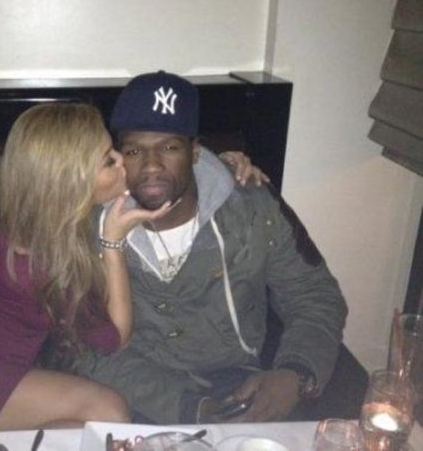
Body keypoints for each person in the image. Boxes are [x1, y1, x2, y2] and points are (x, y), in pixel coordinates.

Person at [0, 102, 263, 441]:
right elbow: (115, 338)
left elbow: (173, 168)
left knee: (86, 432)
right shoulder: (43, 259)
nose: (122, 162)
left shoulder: (46, 219)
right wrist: (113, 243)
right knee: (109, 412)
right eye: (108, 160)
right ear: (72, 181)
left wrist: (226, 164)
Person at [74, 71, 348, 425]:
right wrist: (190, 406)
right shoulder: (89, 228)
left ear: (195, 152)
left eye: (170, 147)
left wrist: (296, 373)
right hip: (137, 395)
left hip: (244, 384)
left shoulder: (251, 208)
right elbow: (83, 347)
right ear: (118, 156)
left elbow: (314, 294)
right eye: (135, 150)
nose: (152, 165)